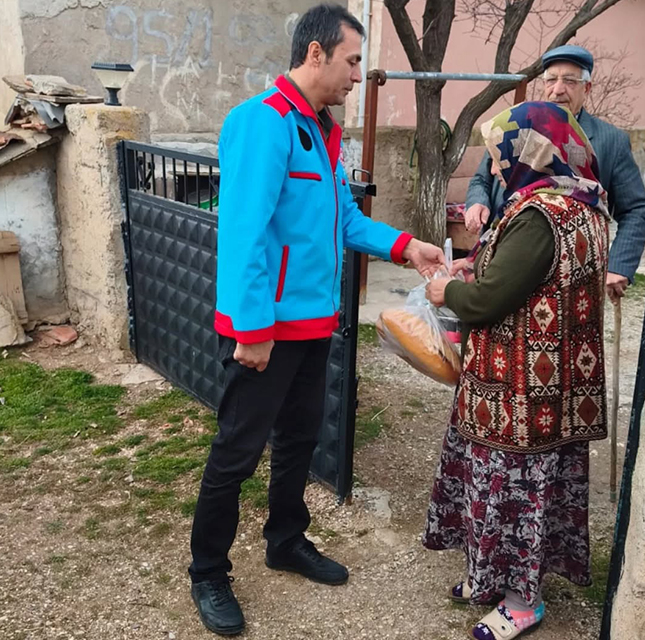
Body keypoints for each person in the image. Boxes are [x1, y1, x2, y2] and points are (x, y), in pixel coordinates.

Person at [188, 3, 446, 636]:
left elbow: (342, 220)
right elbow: (244, 233)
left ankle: (285, 540)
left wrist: (404, 245)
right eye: (353, 60)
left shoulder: (321, 130)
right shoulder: (263, 123)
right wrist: (251, 331)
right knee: (237, 451)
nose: (359, 75)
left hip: (313, 323)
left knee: (301, 438)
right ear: (316, 55)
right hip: (265, 329)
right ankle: (207, 571)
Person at [423, 101, 611, 640]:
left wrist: (447, 289)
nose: (498, 165)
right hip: (552, 385)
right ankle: (491, 577)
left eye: (501, 153)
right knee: (521, 487)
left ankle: (522, 601)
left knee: (514, 490)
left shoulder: (540, 214)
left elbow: (488, 301)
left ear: (528, 151)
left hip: (521, 390)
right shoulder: (584, 202)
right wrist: (474, 265)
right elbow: (525, 276)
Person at [461, 44, 645, 304]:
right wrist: (477, 201)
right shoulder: (517, 127)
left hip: (566, 280)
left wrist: (619, 265)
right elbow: (484, 177)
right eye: (551, 80)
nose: (557, 90)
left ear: (587, 88)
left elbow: (636, 209)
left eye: (570, 81)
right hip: (499, 266)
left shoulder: (610, 141)